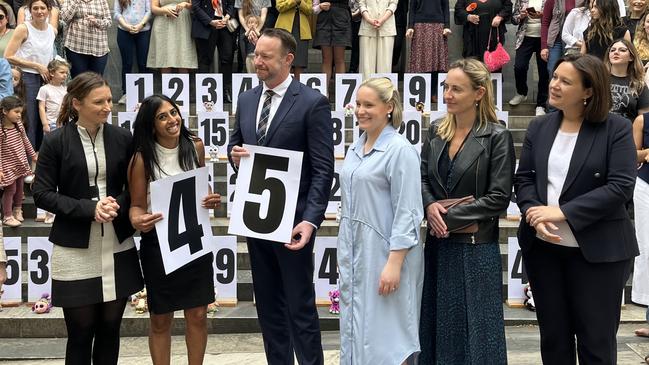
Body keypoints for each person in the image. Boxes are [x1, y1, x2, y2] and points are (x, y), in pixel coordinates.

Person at [515, 54, 638, 364]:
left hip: (598, 253)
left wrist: (562, 212)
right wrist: (532, 212)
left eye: (565, 81)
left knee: (596, 343)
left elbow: (620, 187)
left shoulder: (617, 129)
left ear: (588, 91)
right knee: (554, 342)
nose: (554, 85)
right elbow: (525, 179)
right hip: (544, 252)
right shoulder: (540, 126)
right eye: (555, 77)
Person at [228, 28, 334, 365]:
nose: (257, 61)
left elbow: (323, 169)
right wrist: (234, 157)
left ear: (288, 60)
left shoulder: (312, 103)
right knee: (269, 309)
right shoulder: (246, 99)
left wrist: (310, 219)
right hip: (256, 219)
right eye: (256, 54)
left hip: (292, 225)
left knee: (300, 308)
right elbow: (236, 147)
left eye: (265, 57)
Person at [32, 71, 143, 365]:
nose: (108, 106)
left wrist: (117, 205)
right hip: (74, 250)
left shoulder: (122, 137)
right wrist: (89, 208)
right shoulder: (55, 141)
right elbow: (42, 193)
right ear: (77, 103)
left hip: (118, 245)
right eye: (99, 102)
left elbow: (137, 185)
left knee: (110, 329)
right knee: (80, 332)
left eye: (109, 99)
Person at [419, 58, 514, 364]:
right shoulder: (435, 131)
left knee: (478, 331)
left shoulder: (497, 136)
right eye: (446, 87)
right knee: (437, 325)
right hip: (438, 245)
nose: (447, 94)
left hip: (475, 250)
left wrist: (445, 217)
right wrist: (429, 205)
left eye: (456, 89)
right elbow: (422, 178)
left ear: (478, 93)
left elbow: (499, 197)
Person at [337, 77, 424, 364]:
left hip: (386, 255)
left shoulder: (400, 150)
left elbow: (408, 210)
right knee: (357, 329)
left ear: (388, 107)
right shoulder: (354, 147)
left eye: (369, 105)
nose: (361, 111)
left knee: (389, 336)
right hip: (356, 253)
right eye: (358, 104)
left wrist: (394, 262)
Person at [128, 94, 219, 365]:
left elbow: (204, 188)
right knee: (160, 318)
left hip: (194, 239)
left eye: (174, 112)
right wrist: (137, 220)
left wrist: (211, 197)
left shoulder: (195, 146)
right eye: (162, 116)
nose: (172, 119)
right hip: (158, 243)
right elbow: (136, 205)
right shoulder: (141, 159)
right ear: (150, 124)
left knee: (198, 314)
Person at [4, 0, 55, 153]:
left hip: (46, 79)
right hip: (28, 78)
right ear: (29, 10)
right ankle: (27, 162)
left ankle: (42, 160)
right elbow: (8, 55)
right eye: (35, 8)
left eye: (43, 8)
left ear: (49, 10)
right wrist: (36, 66)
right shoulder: (23, 28)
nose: (39, 11)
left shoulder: (51, 30)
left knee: (44, 121)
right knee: (30, 121)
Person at [405, 0, 450, 104]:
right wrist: (410, 26)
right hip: (420, 25)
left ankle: (434, 93)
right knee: (421, 61)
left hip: (438, 25)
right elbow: (412, 8)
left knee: (436, 62)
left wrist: (447, 25)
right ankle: (422, 93)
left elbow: (446, 7)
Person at [191, 0, 236, 103]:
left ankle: (225, 91)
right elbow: (196, 7)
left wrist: (227, 16)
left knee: (227, 58)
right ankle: (203, 93)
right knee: (205, 59)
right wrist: (210, 21)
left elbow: (231, 2)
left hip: (224, 23)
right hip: (206, 23)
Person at [510, 0, 549, 116]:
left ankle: (541, 104)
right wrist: (520, 16)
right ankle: (522, 92)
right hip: (525, 38)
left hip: (544, 38)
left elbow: (555, 17)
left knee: (544, 72)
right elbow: (513, 19)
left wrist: (543, 15)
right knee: (519, 66)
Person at [0, 95, 34, 227]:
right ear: (4, 111)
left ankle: (17, 210)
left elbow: (25, 140)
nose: (19, 115)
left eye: (21, 112)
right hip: (7, 165)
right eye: (16, 112)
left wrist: (33, 155)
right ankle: (7, 216)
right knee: (10, 190)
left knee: (20, 188)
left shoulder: (18, 125)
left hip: (20, 162)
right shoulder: (1, 130)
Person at [632, 112, 649, 343]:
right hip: (645, 186)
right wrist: (646, 153)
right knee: (646, 250)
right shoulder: (642, 120)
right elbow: (630, 155)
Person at [60, 0, 111, 77]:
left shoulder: (102, 1)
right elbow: (64, 17)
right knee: (79, 81)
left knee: (96, 82)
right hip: (76, 46)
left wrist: (97, 21)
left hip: (99, 48)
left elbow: (109, 22)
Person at [114, 0, 151, 105]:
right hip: (124, 30)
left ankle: (146, 95)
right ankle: (126, 93)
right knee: (127, 63)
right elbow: (116, 13)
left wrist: (141, 25)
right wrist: (126, 26)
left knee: (143, 63)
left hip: (143, 31)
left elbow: (149, 11)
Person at [604, 39, 649, 122]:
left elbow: (643, 119)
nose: (616, 52)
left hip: (627, 132)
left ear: (631, 57)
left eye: (622, 50)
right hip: (600, 130)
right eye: (612, 50)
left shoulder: (639, 85)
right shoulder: (599, 79)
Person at [147, 0, 196, 72]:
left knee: (183, 53)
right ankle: (165, 81)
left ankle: (184, 82)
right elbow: (154, 8)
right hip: (163, 22)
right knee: (165, 55)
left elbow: (195, 6)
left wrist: (185, 4)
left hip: (183, 23)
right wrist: (164, 10)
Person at [313, 0, 351, 91]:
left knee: (339, 59)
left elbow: (353, 4)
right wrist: (320, 7)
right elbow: (314, 9)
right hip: (324, 20)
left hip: (342, 18)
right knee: (326, 59)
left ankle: (341, 93)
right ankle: (324, 92)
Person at [274, 0, 312, 79]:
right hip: (284, 29)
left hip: (302, 30)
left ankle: (298, 87)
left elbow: (309, 10)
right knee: (284, 60)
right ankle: (284, 87)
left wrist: (300, 2)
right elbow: (279, 7)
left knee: (300, 62)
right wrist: (293, 2)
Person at [358, 0, 397, 77]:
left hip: (387, 27)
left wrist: (382, 20)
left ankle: (383, 87)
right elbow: (361, 4)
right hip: (367, 27)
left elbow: (393, 4)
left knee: (385, 63)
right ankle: (366, 87)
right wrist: (369, 19)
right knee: (366, 63)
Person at [541, 0, 577, 79]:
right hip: (556, 40)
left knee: (572, 71)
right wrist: (544, 47)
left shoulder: (583, 1)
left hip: (573, 40)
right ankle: (555, 90)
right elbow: (545, 23)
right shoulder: (552, 1)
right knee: (553, 69)